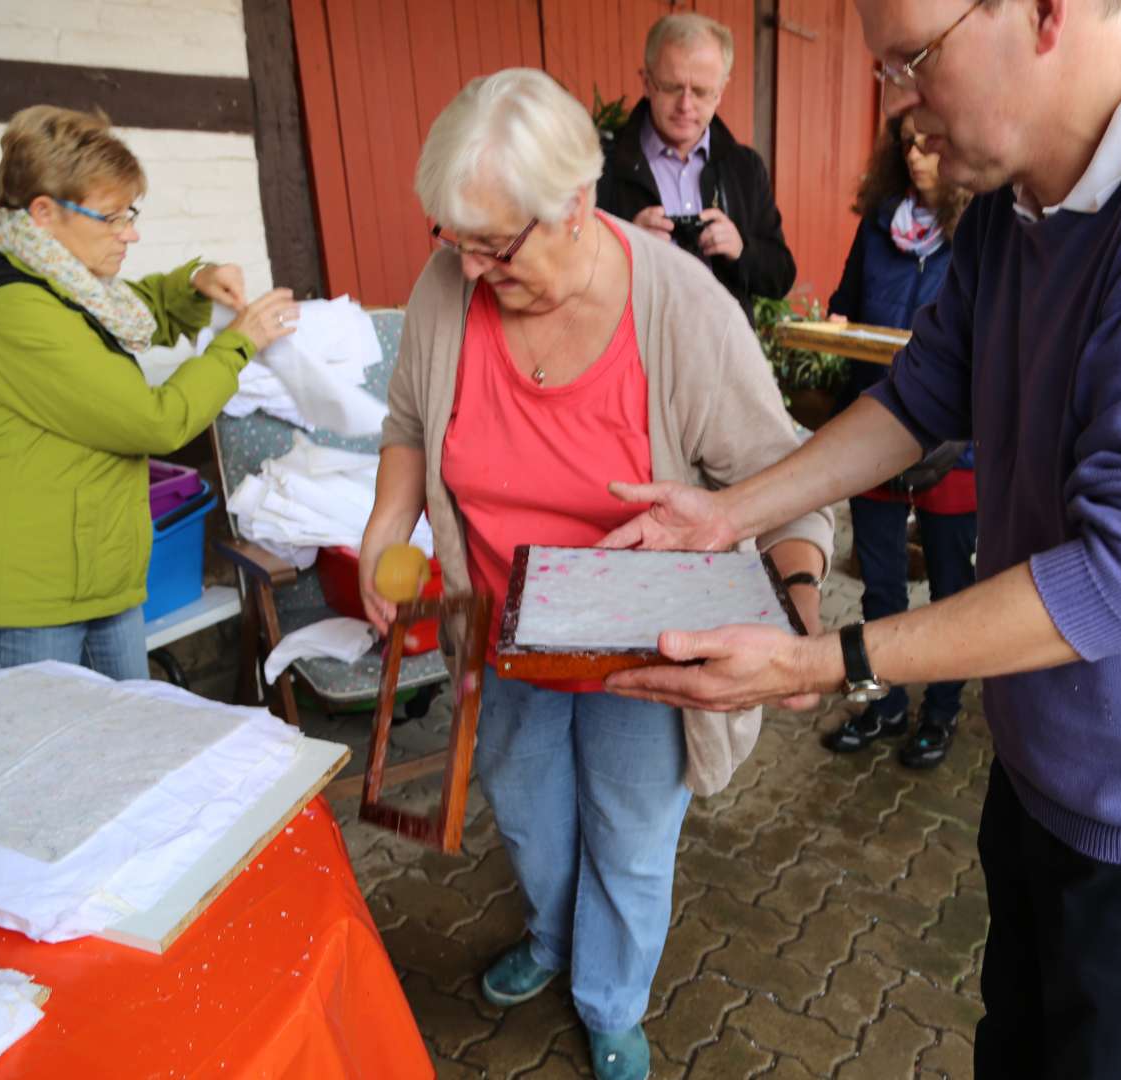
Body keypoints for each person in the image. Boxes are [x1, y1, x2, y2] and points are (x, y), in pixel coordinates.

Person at [597, 1, 1121, 1076]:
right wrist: (730, 512)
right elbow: (925, 391)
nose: (898, 101)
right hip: (1049, 758)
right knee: (1013, 1047)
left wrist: (827, 659)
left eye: (914, 59)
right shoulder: (1015, 201)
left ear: (1046, 13)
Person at [356, 70, 832, 1080]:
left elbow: (782, 479)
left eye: (496, 244)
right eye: (457, 241)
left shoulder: (681, 307)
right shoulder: (448, 289)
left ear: (578, 201)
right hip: (499, 633)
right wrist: (382, 533)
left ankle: (609, 997)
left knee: (627, 838)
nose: (473, 270)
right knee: (529, 822)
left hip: (641, 649)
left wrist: (797, 621)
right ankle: (552, 936)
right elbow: (406, 428)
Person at [0, 105, 296, 681]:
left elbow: (120, 313)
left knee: (126, 755)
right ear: (44, 213)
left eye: (130, 212)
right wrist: (238, 345)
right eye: (110, 217)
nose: (131, 232)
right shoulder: (8, 311)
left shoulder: (55, 282)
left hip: (96, 580)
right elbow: (155, 421)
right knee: (55, 769)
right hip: (27, 601)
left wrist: (189, 287)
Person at [821, 113, 977, 769]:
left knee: (951, 591)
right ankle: (883, 703)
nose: (917, 155)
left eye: (931, 140)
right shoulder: (878, 225)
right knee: (881, 583)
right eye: (906, 142)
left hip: (956, 447)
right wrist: (827, 331)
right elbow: (844, 303)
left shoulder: (982, 233)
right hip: (876, 431)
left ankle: (939, 715)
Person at [596, 12, 796, 315]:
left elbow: (780, 276)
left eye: (701, 91)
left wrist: (742, 249)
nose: (685, 106)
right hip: (636, 354)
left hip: (724, 355)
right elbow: (565, 273)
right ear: (647, 82)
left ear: (721, 91)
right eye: (672, 87)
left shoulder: (744, 167)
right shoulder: (602, 165)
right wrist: (624, 251)